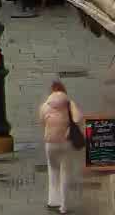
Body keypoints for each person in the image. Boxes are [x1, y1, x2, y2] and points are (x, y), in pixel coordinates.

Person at [38, 80, 86, 212]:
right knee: (65, 173)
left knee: (53, 171)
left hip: (50, 144)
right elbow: (78, 118)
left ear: (51, 92)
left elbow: (42, 121)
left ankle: (53, 201)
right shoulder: (69, 103)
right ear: (63, 91)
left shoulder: (44, 106)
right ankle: (63, 206)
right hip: (65, 143)